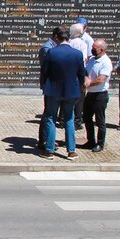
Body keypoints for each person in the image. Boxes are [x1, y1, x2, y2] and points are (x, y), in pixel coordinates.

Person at [39, 26, 86, 160]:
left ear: (56, 38)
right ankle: (71, 151)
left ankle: (49, 150)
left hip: (53, 90)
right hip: (71, 91)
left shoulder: (52, 53)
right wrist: (81, 86)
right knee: (69, 119)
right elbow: (81, 73)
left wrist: (43, 85)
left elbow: (44, 72)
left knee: (50, 118)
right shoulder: (77, 54)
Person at [81, 38, 112, 152]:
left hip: (100, 95)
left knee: (100, 121)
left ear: (102, 49)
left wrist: (88, 83)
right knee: (87, 118)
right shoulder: (92, 60)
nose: (92, 50)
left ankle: (100, 143)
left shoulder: (106, 62)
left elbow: (101, 79)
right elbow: (86, 73)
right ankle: (90, 140)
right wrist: (85, 80)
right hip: (90, 94)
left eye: (94, 48)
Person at [68, 23, 91, 130]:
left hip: (68, 73)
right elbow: (84, 60)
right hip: (78, 73)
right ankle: (77, 121)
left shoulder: (68, 43)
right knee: (80, 98)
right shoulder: (82, 44)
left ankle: (64, 119)